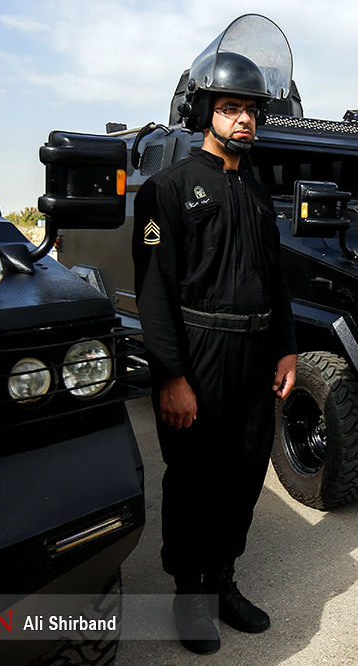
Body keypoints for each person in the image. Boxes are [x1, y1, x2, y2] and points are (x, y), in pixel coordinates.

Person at [133, 50, 297, 655]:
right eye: (232, 108)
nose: (245, 120)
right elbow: (154, 291)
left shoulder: (255, 192)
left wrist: (286, 349)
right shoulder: (168, 190)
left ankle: (224, 580)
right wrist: (171, 376)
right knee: (196, 477)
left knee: (245, 472)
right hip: (199, 352)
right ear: (206, 113)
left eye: (252, 110)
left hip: (256, 353)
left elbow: (274, 277)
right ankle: (192, 593)